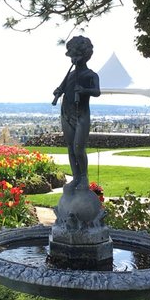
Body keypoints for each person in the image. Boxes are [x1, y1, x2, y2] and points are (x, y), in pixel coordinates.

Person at [52, 36, 100, 189]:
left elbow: (97, 91)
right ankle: (76, 177)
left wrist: (84, 90)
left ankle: (84, 177)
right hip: (66, 112)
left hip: (82, 114)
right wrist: (58, 91)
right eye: (72, 56)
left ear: (85, 56)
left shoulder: (91, 75)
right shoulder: (70, 75)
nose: (73, 59)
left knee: (79, 147)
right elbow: (62, 89)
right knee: (70, 147)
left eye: (76, 56)